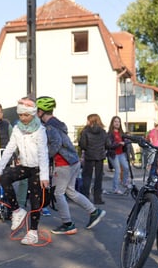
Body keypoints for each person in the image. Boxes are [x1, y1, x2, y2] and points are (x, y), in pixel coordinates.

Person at [37, 97, 107, 234]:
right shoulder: (57, 123)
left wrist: (44, 158)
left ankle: (67, 224)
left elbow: (56, 143)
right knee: (71, 192)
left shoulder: (50, 126)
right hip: (72, 161)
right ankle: (94, 212)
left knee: (58, 193)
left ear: (40, 112)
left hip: (63, 163)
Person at [0, 96, 50, 246]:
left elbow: (43, 153)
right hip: (24, 165)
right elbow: (9, 149)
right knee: (4, 178)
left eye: (26, 115)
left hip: (37, 168)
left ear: (33, 114)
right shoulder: (17, 129)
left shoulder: (40, 130)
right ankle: (17, 211)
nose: (23, 118)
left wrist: (44, 175)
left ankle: (33, 232)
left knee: (35, 200)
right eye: (20, 115)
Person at [78, 113, 108, 204]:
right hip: (100, 156)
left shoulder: (85, 131)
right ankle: (97, 198)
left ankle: (85, 197)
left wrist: (87, 149)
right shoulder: (103, 131)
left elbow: (82, 144)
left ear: (90, 120)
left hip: (89, 156)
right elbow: (107, 144)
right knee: (98, 178)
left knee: (87, 177)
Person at [106, 116, 131, 194]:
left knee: (126, 168)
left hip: (121, 154)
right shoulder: (110, 134)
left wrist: (126, 142)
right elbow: (109, 145)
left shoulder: (121, 133)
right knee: (118, 170)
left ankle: (124, 182)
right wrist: (119, 143)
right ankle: (115, 189)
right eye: (115, 121)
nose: (117, 123)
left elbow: (125, 143)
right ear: (112, 123)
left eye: (118, 122)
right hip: (113, 154)